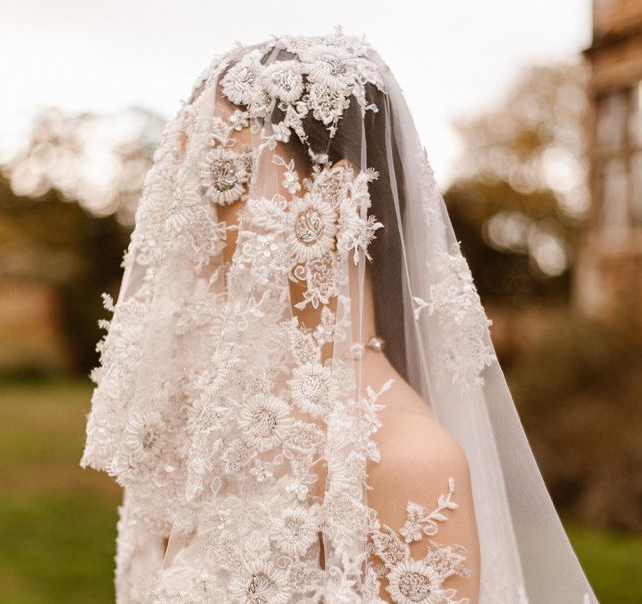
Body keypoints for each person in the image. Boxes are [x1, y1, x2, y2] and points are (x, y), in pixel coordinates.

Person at [81, 28, 598, 603]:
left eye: (223, 181)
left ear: (335, 193)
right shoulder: (211, 429)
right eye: (188, 191)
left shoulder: (408, 464)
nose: (193, 224)